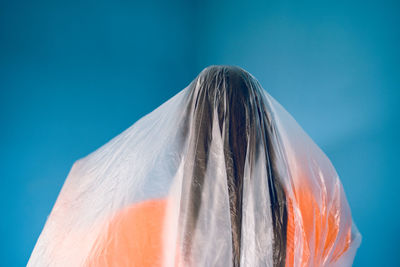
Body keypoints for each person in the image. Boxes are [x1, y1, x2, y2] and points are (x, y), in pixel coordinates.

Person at [28, 65, 361, 267]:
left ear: (185, 136)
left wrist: (75, 197)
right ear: (269, 131)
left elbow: (67, 253)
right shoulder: (312, 216)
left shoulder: (140, 223)